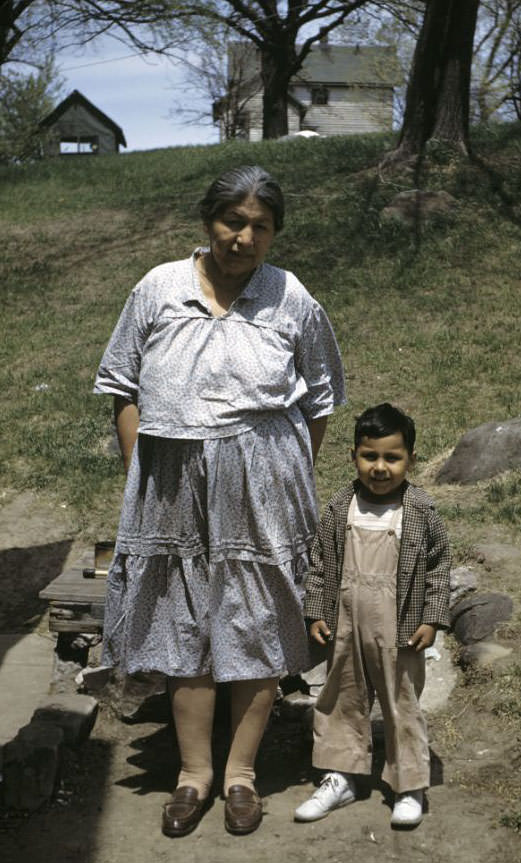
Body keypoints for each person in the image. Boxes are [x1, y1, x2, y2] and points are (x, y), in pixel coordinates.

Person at [94, 165, 345, 838]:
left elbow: (319, 397)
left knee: (258, 622)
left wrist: (283, 468)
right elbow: (123, 384)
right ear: (210, 222)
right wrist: (137, 471)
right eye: (234, 221)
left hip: (265, 486)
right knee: (184, 623)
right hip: (172, 484)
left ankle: (240, 774)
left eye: (260, 226)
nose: (244, 237)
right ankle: (192, 774)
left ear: (273, 235)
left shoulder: (290, 297)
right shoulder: (158, 287)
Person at [294, 403, 450, 828]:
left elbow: (438, 568)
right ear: (354, 456)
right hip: (346, 622)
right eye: (370, 456)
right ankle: (341, 775)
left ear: (410, 460)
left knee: (401, 704)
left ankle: (408, 785)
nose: (380, 467)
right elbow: (321, 563)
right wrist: (316, 612)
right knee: (341, 698)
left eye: (392, 458)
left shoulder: (420, 510)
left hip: (399, 629)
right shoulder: (340, 506)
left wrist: (431, 619)